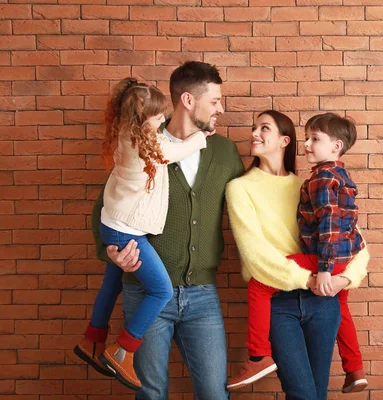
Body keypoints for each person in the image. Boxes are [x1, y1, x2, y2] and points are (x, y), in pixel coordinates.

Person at [86, 62, 244, 400]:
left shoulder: (225, 152)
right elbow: (106, 209)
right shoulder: (141, 144)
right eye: (215, 101)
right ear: (188, 99)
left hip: (202, 295)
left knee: (215, 394)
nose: (221, 108)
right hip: (145, 291)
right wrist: (111, 253)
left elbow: (250, 207)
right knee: (151, 394)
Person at [73, 77, 210, 390]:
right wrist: (200, 137)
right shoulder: (144, 148)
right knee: (161, 290)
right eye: (157, 116)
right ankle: (123, 350)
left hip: (115, 222)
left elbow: (161, 142)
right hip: (126, 231)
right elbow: (171, 153)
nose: (163, 119)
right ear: (142, 120)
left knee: (113, 283)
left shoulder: (128, 134)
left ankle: (92, 339)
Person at [225, 110, 370, 399]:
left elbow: (353, 239)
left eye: (263, 128)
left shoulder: (308, 185)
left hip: (323, 299)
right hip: (278, 302)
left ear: (284, 140)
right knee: (302, 393)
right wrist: (310, 279)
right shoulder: (239, 188)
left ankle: (354, 368)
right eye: (254, 127)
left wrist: (343, 280)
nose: (254, 133)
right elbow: (256, 258)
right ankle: (258, 358)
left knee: (317, 394)